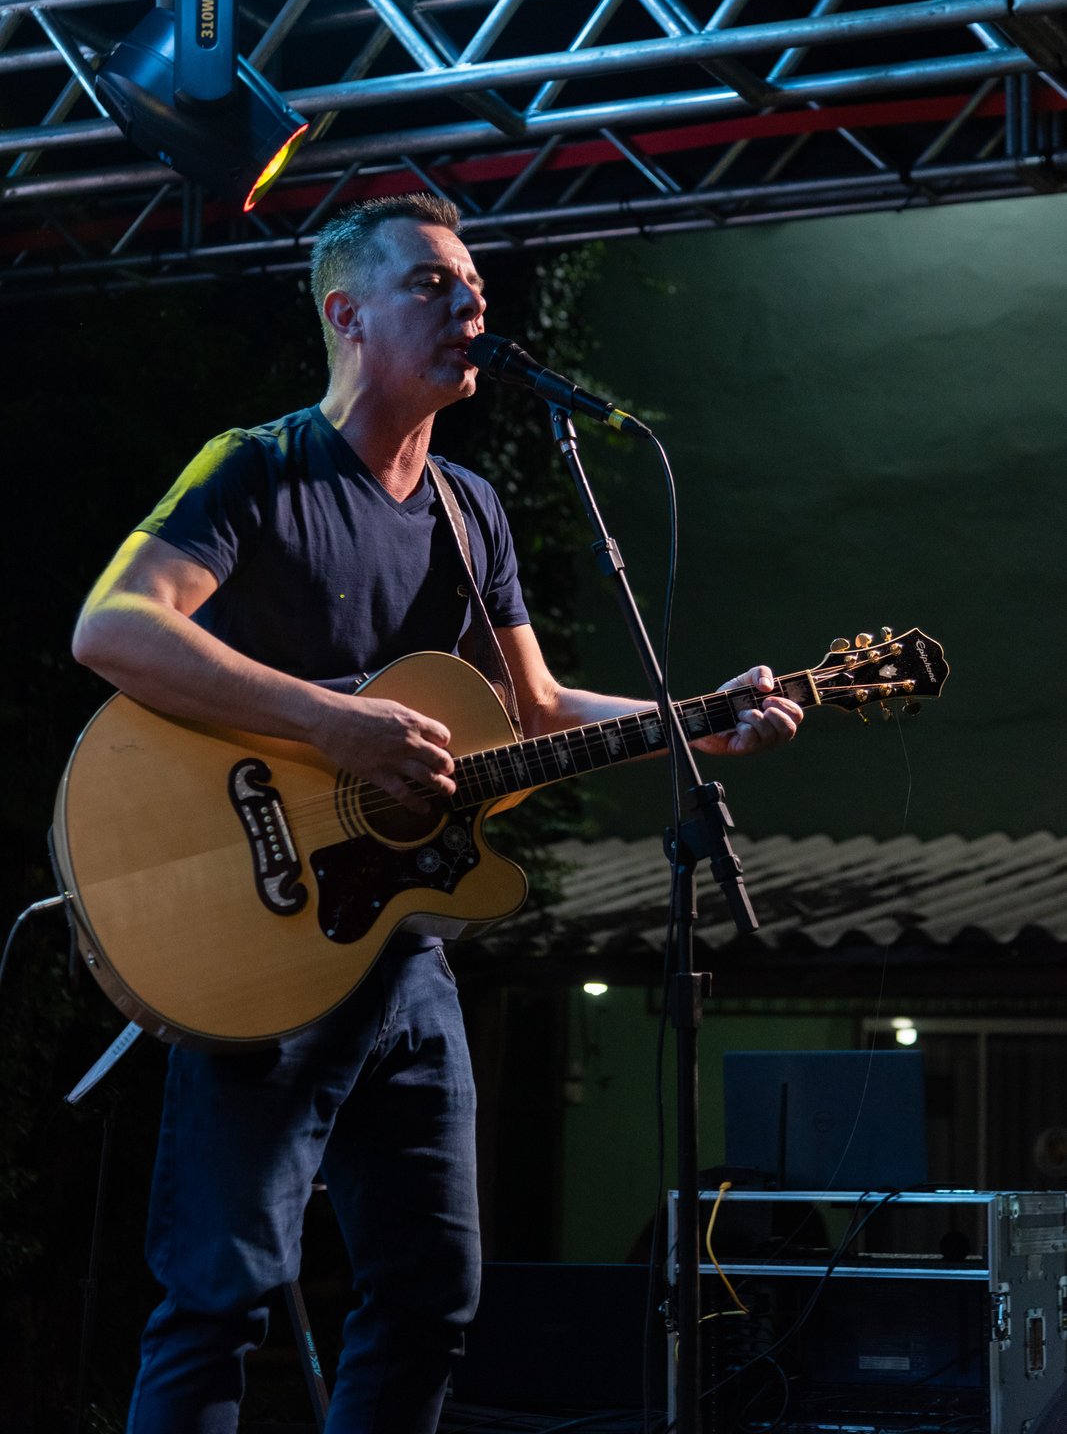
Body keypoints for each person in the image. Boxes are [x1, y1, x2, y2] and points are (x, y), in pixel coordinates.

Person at [71, 191, 804, 1433]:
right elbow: (113, 626)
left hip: (403, 953)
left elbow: (533, 707)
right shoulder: (257, 467)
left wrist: (695, 717)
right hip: (263, 929)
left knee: (431, 1298)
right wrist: (331, 723)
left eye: (474, 285)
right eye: (430, 283)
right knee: (218, 1297)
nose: (469, 302)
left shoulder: (470, 509)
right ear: (345, 314)